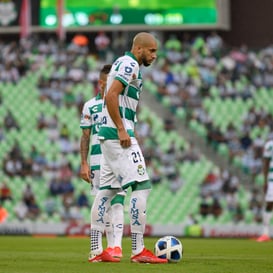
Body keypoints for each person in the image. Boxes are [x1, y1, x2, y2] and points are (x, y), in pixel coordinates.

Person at [89, 32, 168, 263]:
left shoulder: (126, 64)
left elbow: (116, 97)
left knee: (107, 191)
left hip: (108, 136)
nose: (154, 55)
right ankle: (138, 250)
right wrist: (123, 129)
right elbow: (111, 95)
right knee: (142, 186)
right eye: (151, 50)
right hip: (118, 135)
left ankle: (95, 250)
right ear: (139, 48)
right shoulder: (129, 63)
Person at [80, 64, 125, 262]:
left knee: (118, 201)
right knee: (103, 203)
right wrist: (84, 163)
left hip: (117, 157)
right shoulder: (90, 106)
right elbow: (85, 136)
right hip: (98, 160)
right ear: (101, 83)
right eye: (109, 82)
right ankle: (103, 248)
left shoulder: (121, 103)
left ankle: (116, 247)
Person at [256, 137, 273, 242]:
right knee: (270, 203)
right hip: (272, 179)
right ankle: (265, 232)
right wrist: (265, 180)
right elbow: (266, 163)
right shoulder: (270, 145)